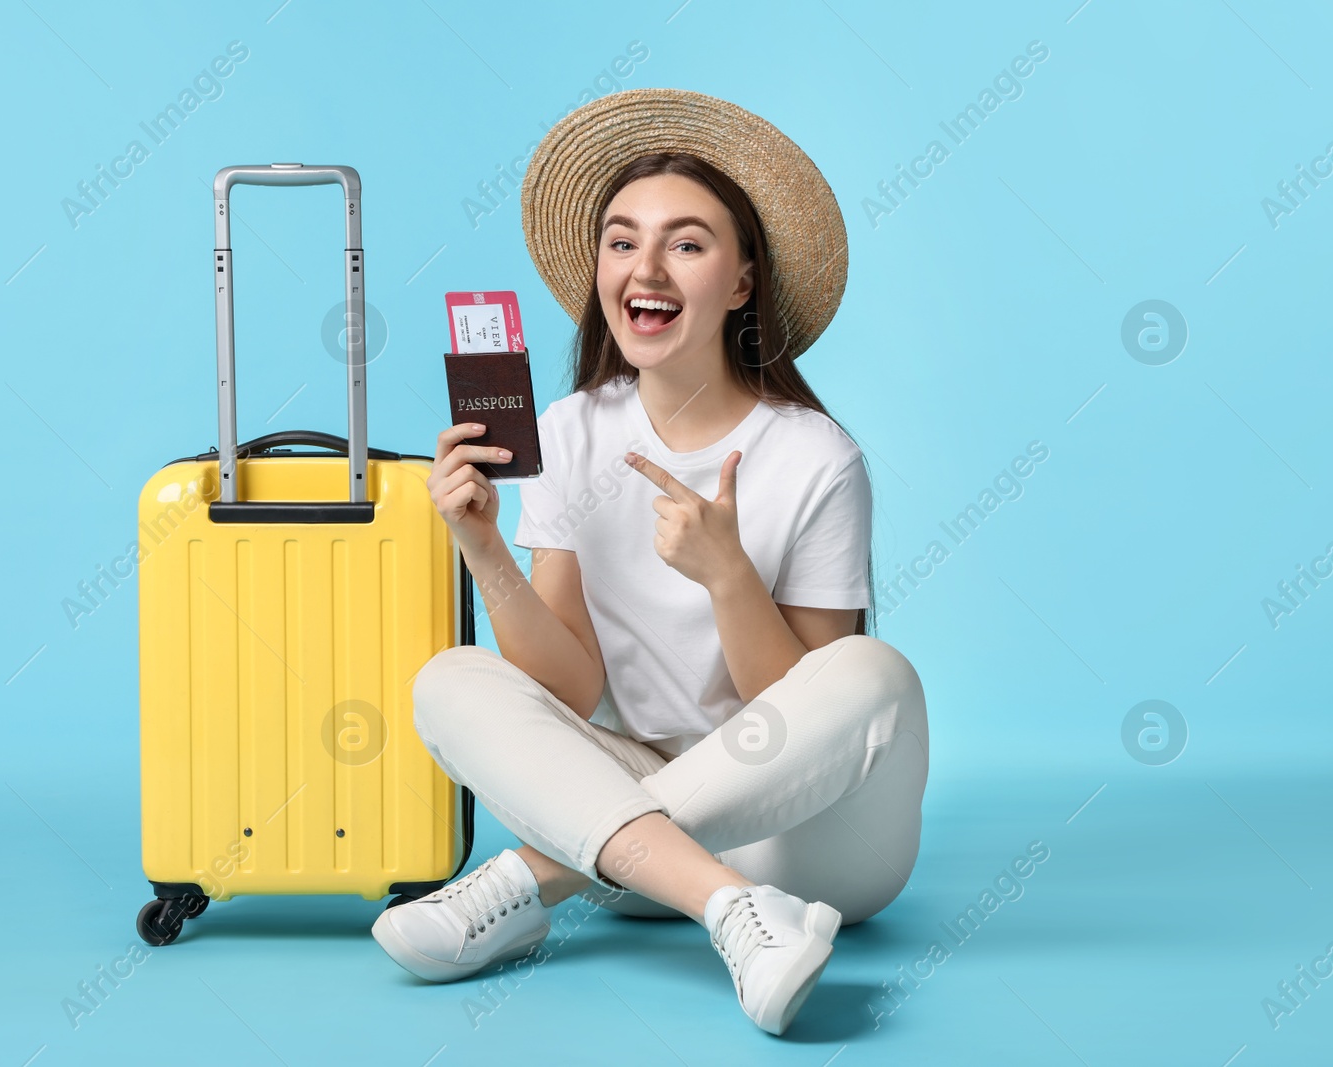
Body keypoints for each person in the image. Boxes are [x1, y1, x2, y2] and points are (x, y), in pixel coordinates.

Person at [371, 88, 929, 1037]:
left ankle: (525, 881)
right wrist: (482, 547)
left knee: (875, 673)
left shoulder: (815, 456)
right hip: (638, 855)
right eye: (622, 241)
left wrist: (728, 576)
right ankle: (730, 911)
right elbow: (569, 682)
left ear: (742, 281)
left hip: (806, 842)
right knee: (448, 679)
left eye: (687, 243)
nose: (646, 267)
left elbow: (813, 713)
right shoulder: (570, 433)